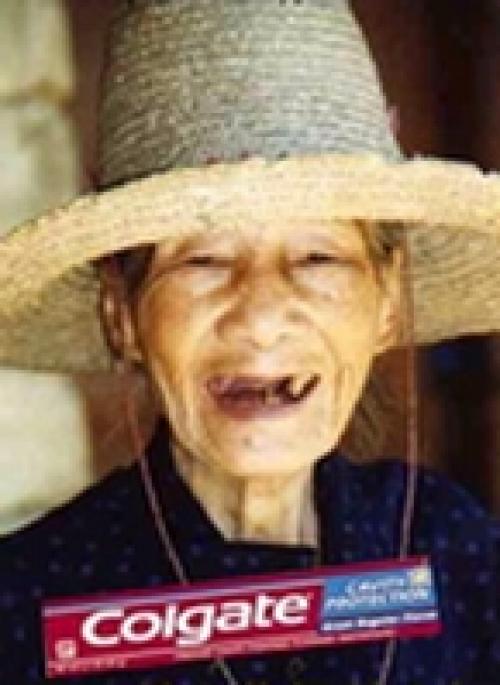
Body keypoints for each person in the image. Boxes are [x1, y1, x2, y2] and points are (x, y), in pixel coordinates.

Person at [0, 1, 499, 683]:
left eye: (318, 257)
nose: (262, 319)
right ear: (122, 315)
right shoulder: (28, 602)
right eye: (202, 260)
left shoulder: (454, 552)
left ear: (386, 304)